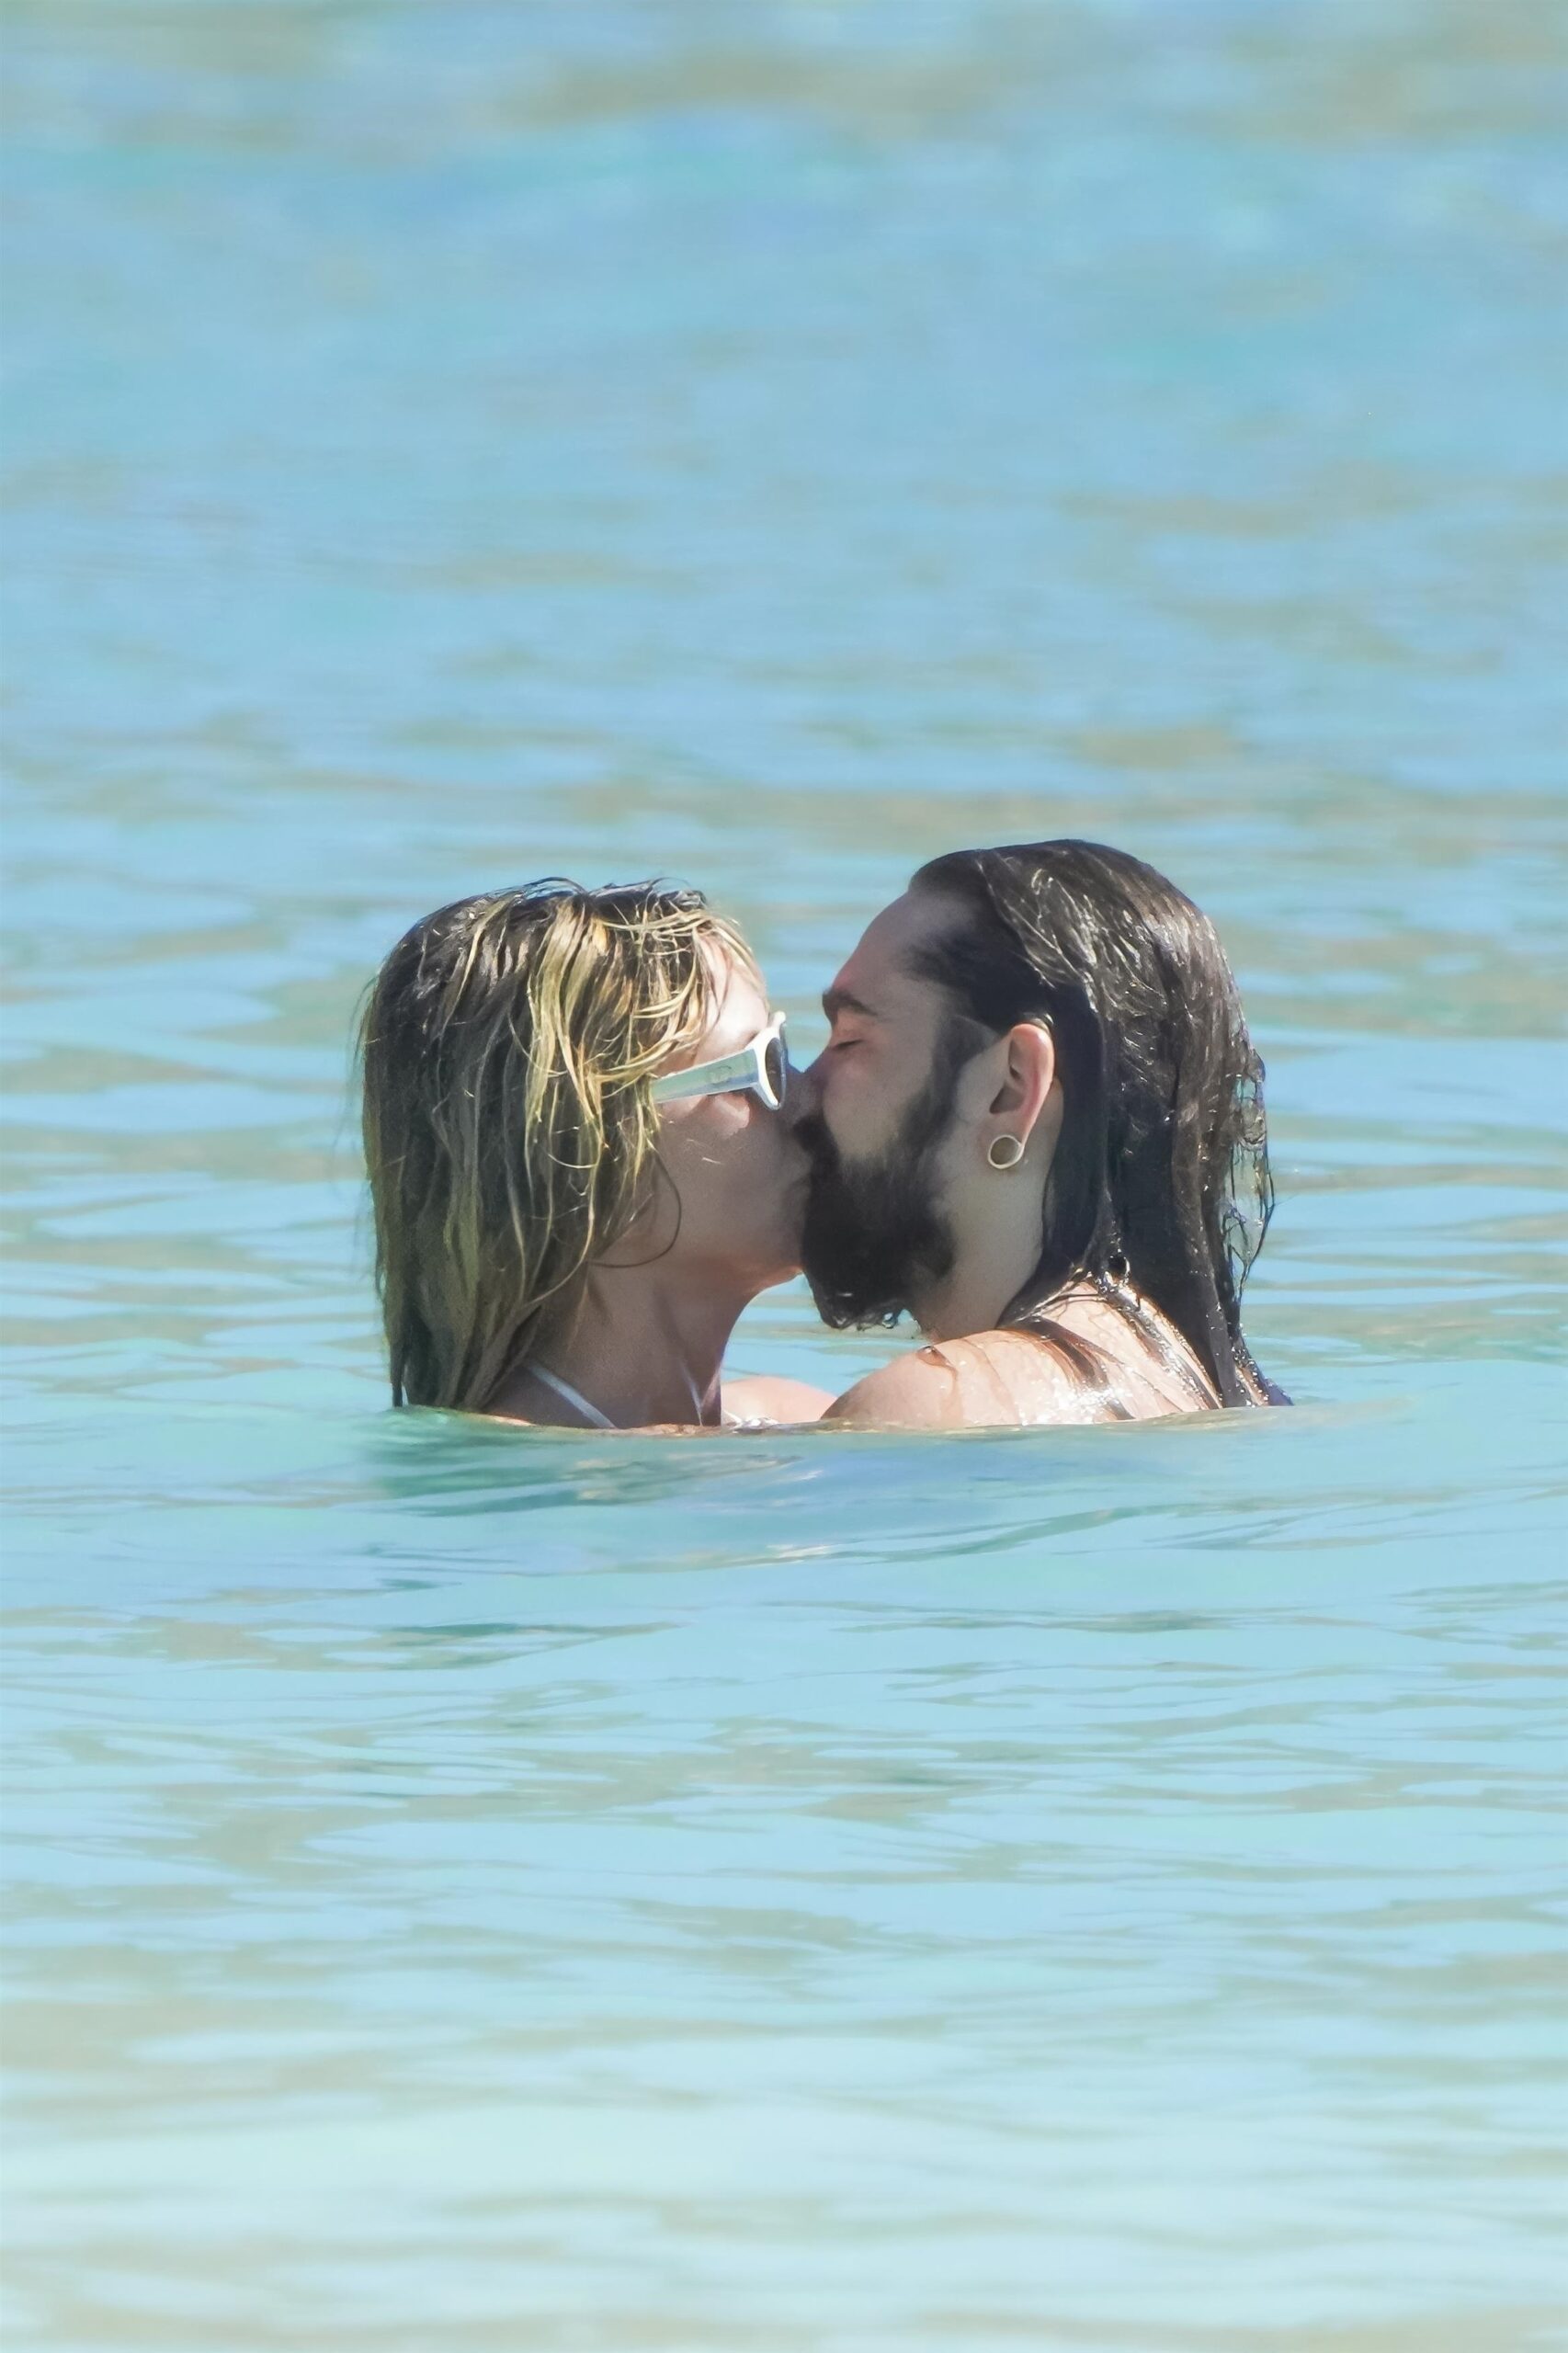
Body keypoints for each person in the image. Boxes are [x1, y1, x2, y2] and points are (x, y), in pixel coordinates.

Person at [793, 839, 1287, 1427]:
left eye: (850, 1040)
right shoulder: (1216, 1391)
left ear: (1012, 1088)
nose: (802, 1091)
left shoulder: (938, 1407)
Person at [359, 879, 829, 1430]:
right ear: (586, 1160)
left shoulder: (790, 1416)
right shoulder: (518, 1484)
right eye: (761, 1067)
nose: (811, 1100)